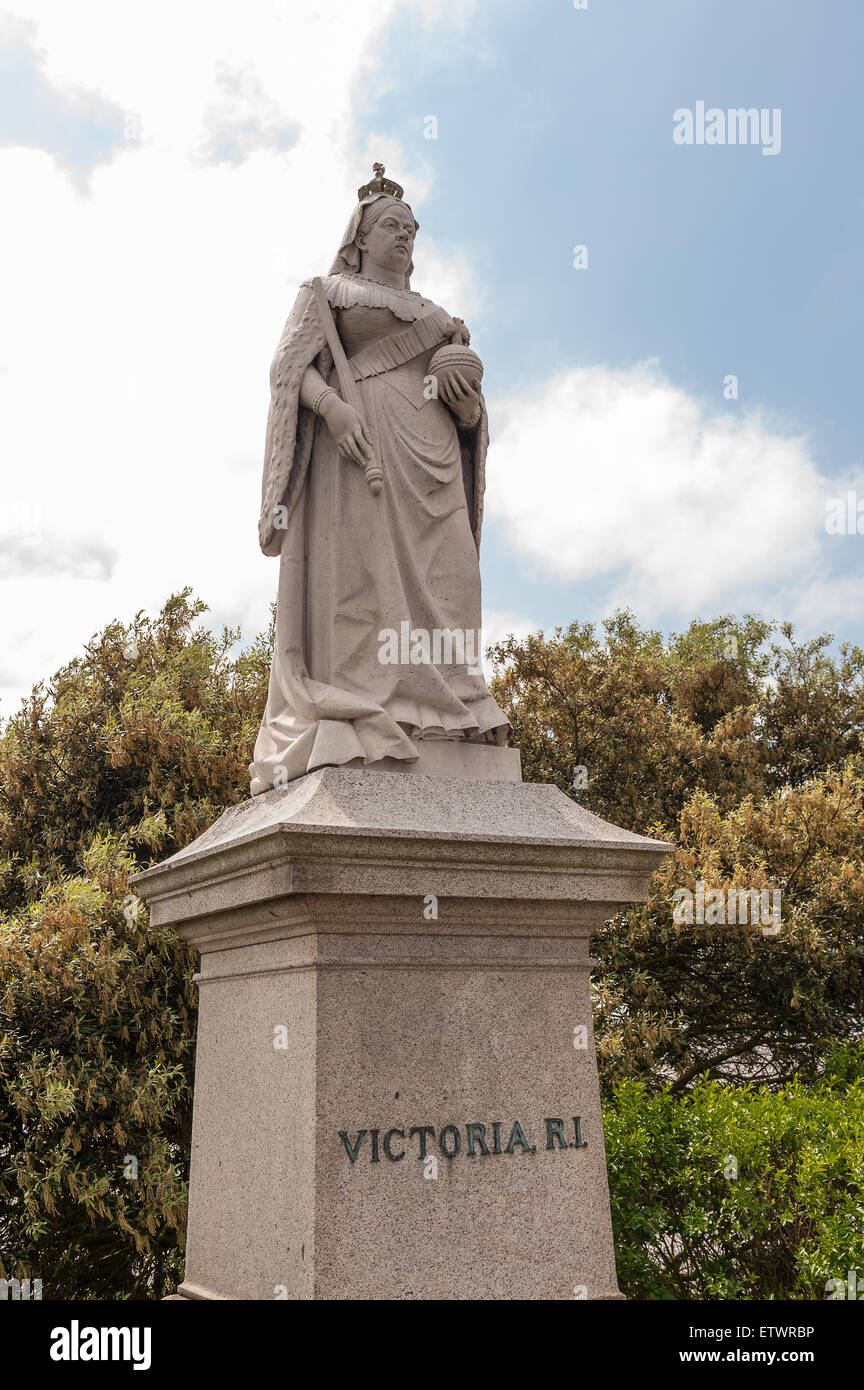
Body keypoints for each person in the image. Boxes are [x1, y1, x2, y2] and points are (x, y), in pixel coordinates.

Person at [250, 164, 509, 794]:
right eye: (391, 224)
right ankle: (375, 701)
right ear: (360, 238)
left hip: (435, 458)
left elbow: (469, 408)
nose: (404, 235)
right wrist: (332, 408)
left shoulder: (440, 317)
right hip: (361, 453)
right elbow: (289, 370)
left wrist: (467, 402)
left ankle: (455, 707)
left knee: (453, 576)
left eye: (410, 228)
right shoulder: (326, 295)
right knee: (368, 584)